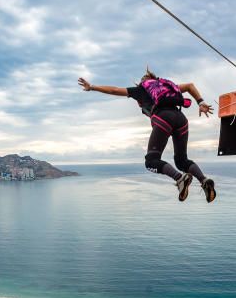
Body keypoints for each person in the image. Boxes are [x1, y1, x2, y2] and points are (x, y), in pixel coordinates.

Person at [78, 71, 216, 202]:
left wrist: (92, 87)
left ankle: (180, 178)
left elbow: (114, 90)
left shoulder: (141, 90)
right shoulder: (168, 87)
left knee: (151, 161)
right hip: (181, 120)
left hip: (163, 119)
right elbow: (190, 85)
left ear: (143, 82)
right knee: (181, 161)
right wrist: (201, 102)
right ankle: (203, 180)